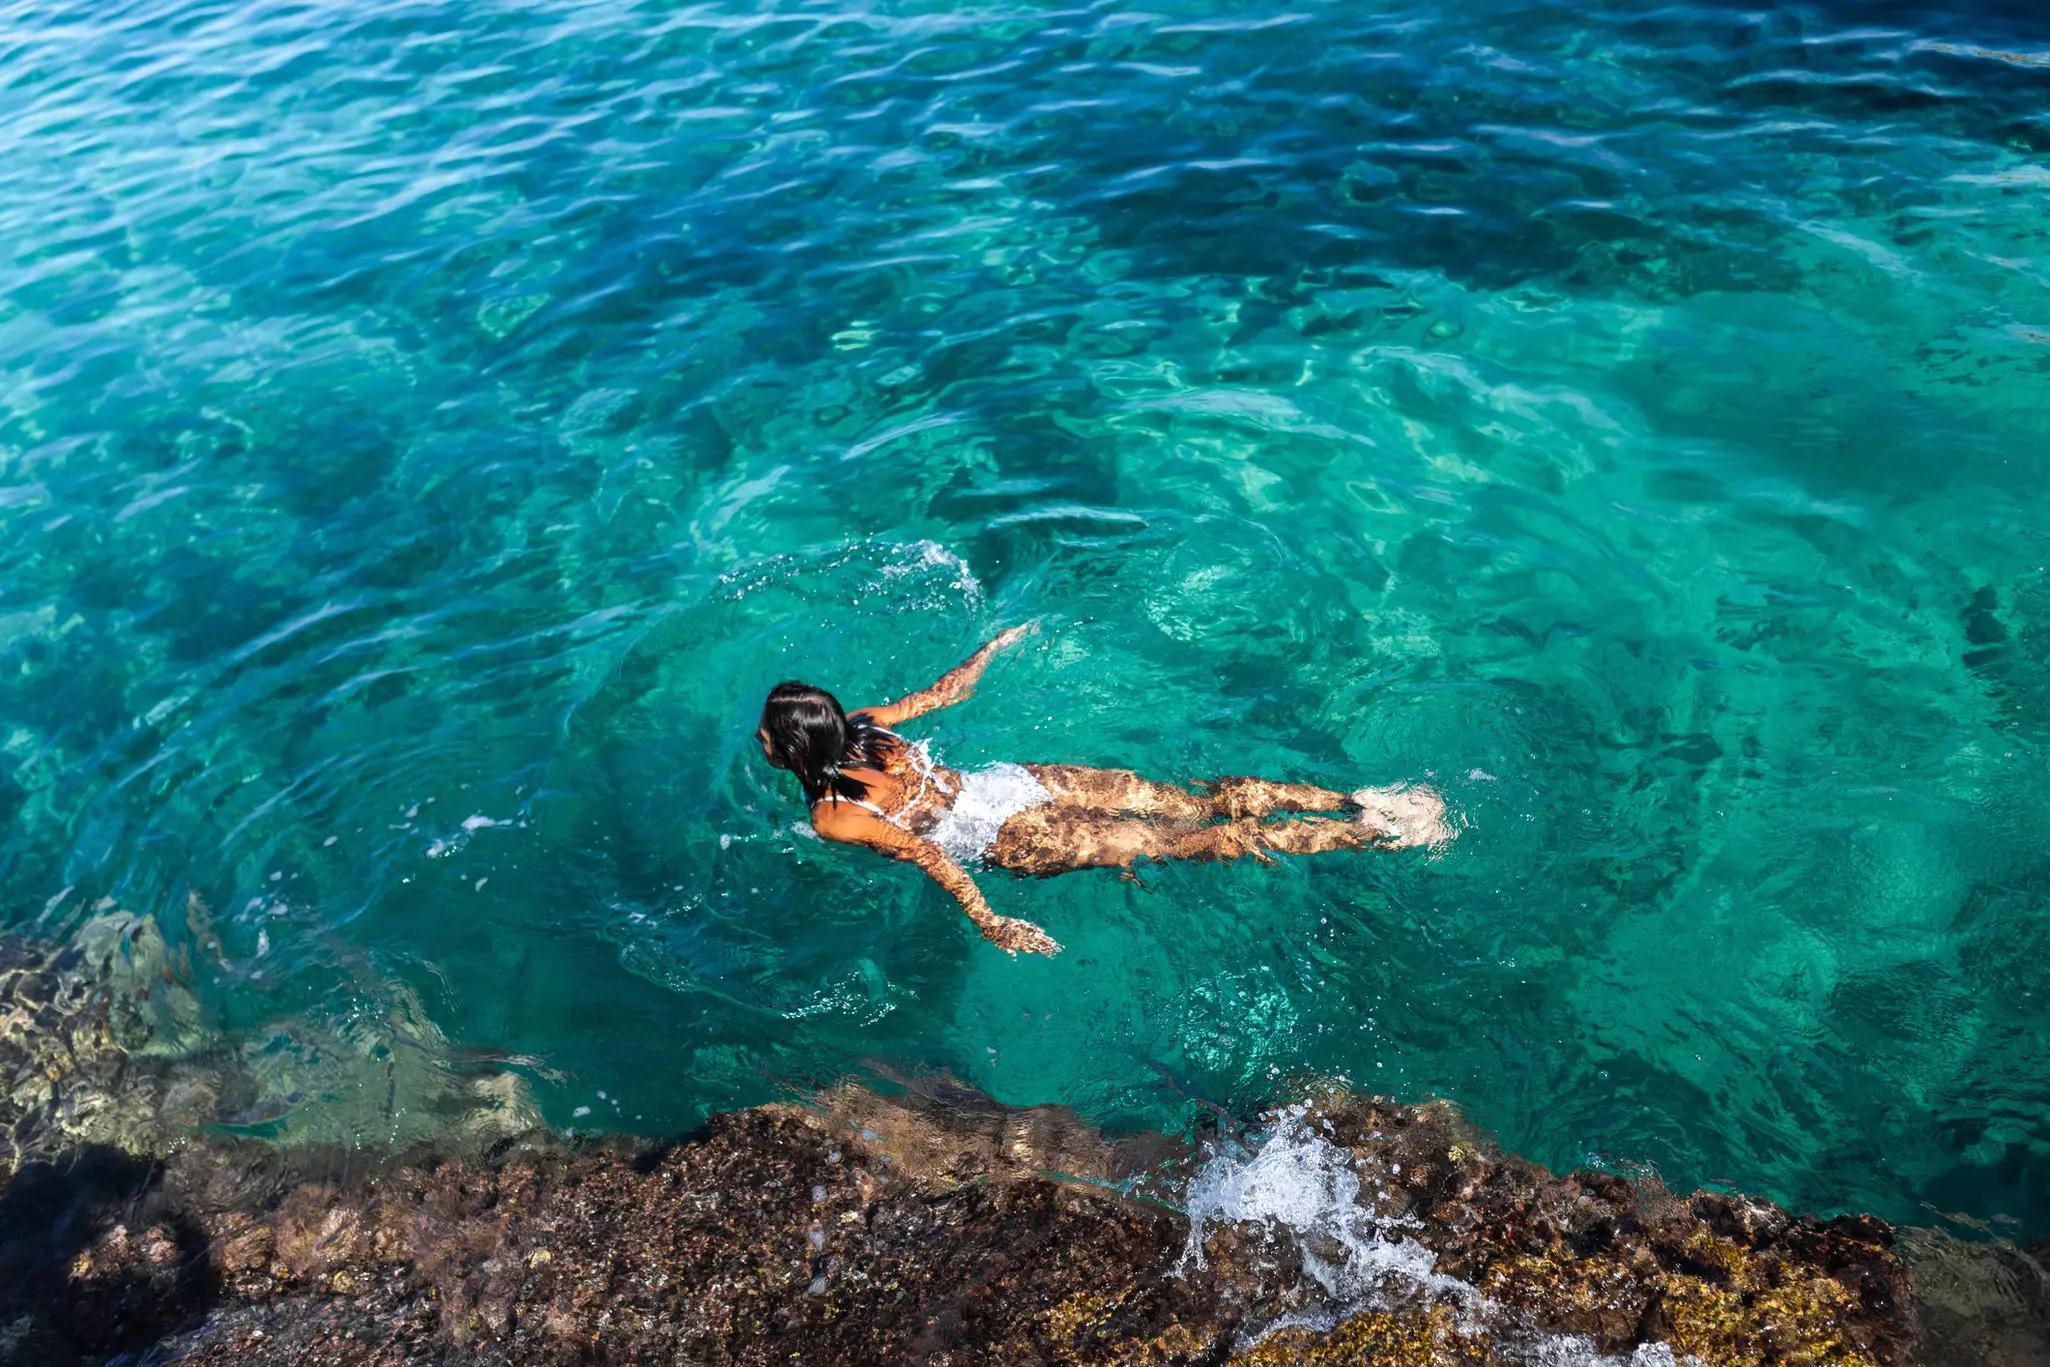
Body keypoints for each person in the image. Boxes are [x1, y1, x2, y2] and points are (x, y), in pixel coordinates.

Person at [755, 624, 1453, 957]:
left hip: (1008, 837)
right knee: (1191, 802)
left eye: (768, 733)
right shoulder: (868, 725)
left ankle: (1371, 834)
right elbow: (947, 691)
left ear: (795, 750)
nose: (759, 739)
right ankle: (1354, 799)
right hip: (1014, 783)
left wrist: (992, 923)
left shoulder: (834, 815)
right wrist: (990, 649)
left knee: (1191, 843)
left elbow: (931, 855)